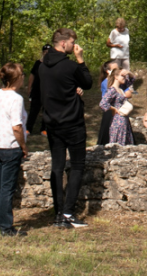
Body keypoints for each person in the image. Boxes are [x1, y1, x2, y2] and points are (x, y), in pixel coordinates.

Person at [38, 28, 93, 229]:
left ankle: (58, 212)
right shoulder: (70, 66)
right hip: (72, 123)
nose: (73, 45)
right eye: (72, 42)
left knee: (57, 166)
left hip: (52, 123)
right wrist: (80, 59)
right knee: (77, 165)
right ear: (63, 44)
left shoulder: (42, 66)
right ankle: (68, 212)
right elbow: (87, 83)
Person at [0, 62, 28, 237]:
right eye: (22, 75)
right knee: (7, 189)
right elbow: (17, 126)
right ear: (16, 78)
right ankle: (6, 227)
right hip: (10, 146)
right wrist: (23, 146)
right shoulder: (16, 98)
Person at [99, 66, 135, 146]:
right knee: (119, 144)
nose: (124, 78)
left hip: (124, 120)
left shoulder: (121, 88)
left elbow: (132, 79)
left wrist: (127, 72)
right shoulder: (112, 90)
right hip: (117, 121)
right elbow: (102, 103)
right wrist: (113, 109)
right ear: (115, 76)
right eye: (122, 76)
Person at [25, 43, 50, 136]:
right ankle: (28, 128)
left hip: (48, 90)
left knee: (46, 110)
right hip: (36, 90)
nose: (46, 53)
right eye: (45, 52)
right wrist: (29, 87)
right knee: (33, 110)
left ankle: (44, 129)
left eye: (48, 52)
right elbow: (32, 76)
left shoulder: (52, 64)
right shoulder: (37, 63)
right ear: (43, 52)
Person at [95, 60, 119, 146]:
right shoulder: (106, 82)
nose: (118, 71)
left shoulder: (119, 80)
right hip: (110, 109)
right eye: (115, 69)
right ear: (108, 71)